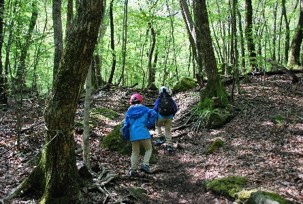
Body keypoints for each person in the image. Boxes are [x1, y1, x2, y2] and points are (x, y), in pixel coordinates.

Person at [122, 93, 157, 176]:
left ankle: (133, 170)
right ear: (141, 101)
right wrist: (149, 124)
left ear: (131, 102)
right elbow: (154, 114)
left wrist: (126, 135)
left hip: (133, 134)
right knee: (148, 149)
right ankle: (145, 164)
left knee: (135, 152)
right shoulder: (145, 109)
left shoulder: (129, 112)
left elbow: (126, 125)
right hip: (143, 133)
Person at [153, 86, 178, 152]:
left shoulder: (159, 99)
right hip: (169, 117)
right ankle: (169, 145)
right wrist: (172, 115)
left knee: (158, 126)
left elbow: (155, 108)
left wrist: (155, 116)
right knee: (168, 130)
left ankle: (160, 137)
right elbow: (176, 108)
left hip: (160, 116)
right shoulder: (170, 99)